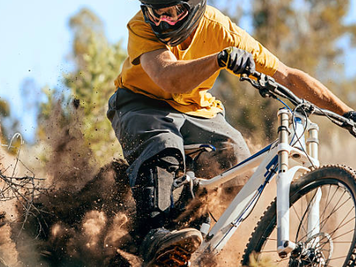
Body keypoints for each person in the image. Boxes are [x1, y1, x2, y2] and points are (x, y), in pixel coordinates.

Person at [107, 0, 356, 266]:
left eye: (172, 12)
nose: (162, 22)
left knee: (236, 156)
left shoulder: (220, 29)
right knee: (163, 143)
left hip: (198, 110)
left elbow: (287, 76)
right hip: (140, 104)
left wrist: (346, 114)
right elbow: (169, 78)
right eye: (156, 14)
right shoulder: (140, 25)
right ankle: (153, 234)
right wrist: (219, 59)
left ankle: (198, 230)